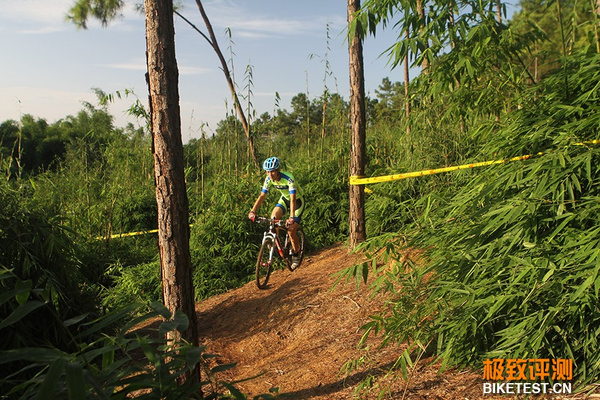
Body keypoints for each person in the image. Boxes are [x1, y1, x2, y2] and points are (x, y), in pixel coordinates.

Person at [248, 157, 304, 269]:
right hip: (284, 200)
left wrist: (291, 217)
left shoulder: (289, 178)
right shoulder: (268, 179)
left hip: (296, 202)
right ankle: (276, 243)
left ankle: (296, 255)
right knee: (273, 219)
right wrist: (253, 211)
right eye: (268, 171)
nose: (270, 174)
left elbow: (292, 199)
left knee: (291, 230)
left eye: (272, 171)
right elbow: (262, 196)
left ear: (278, 170)